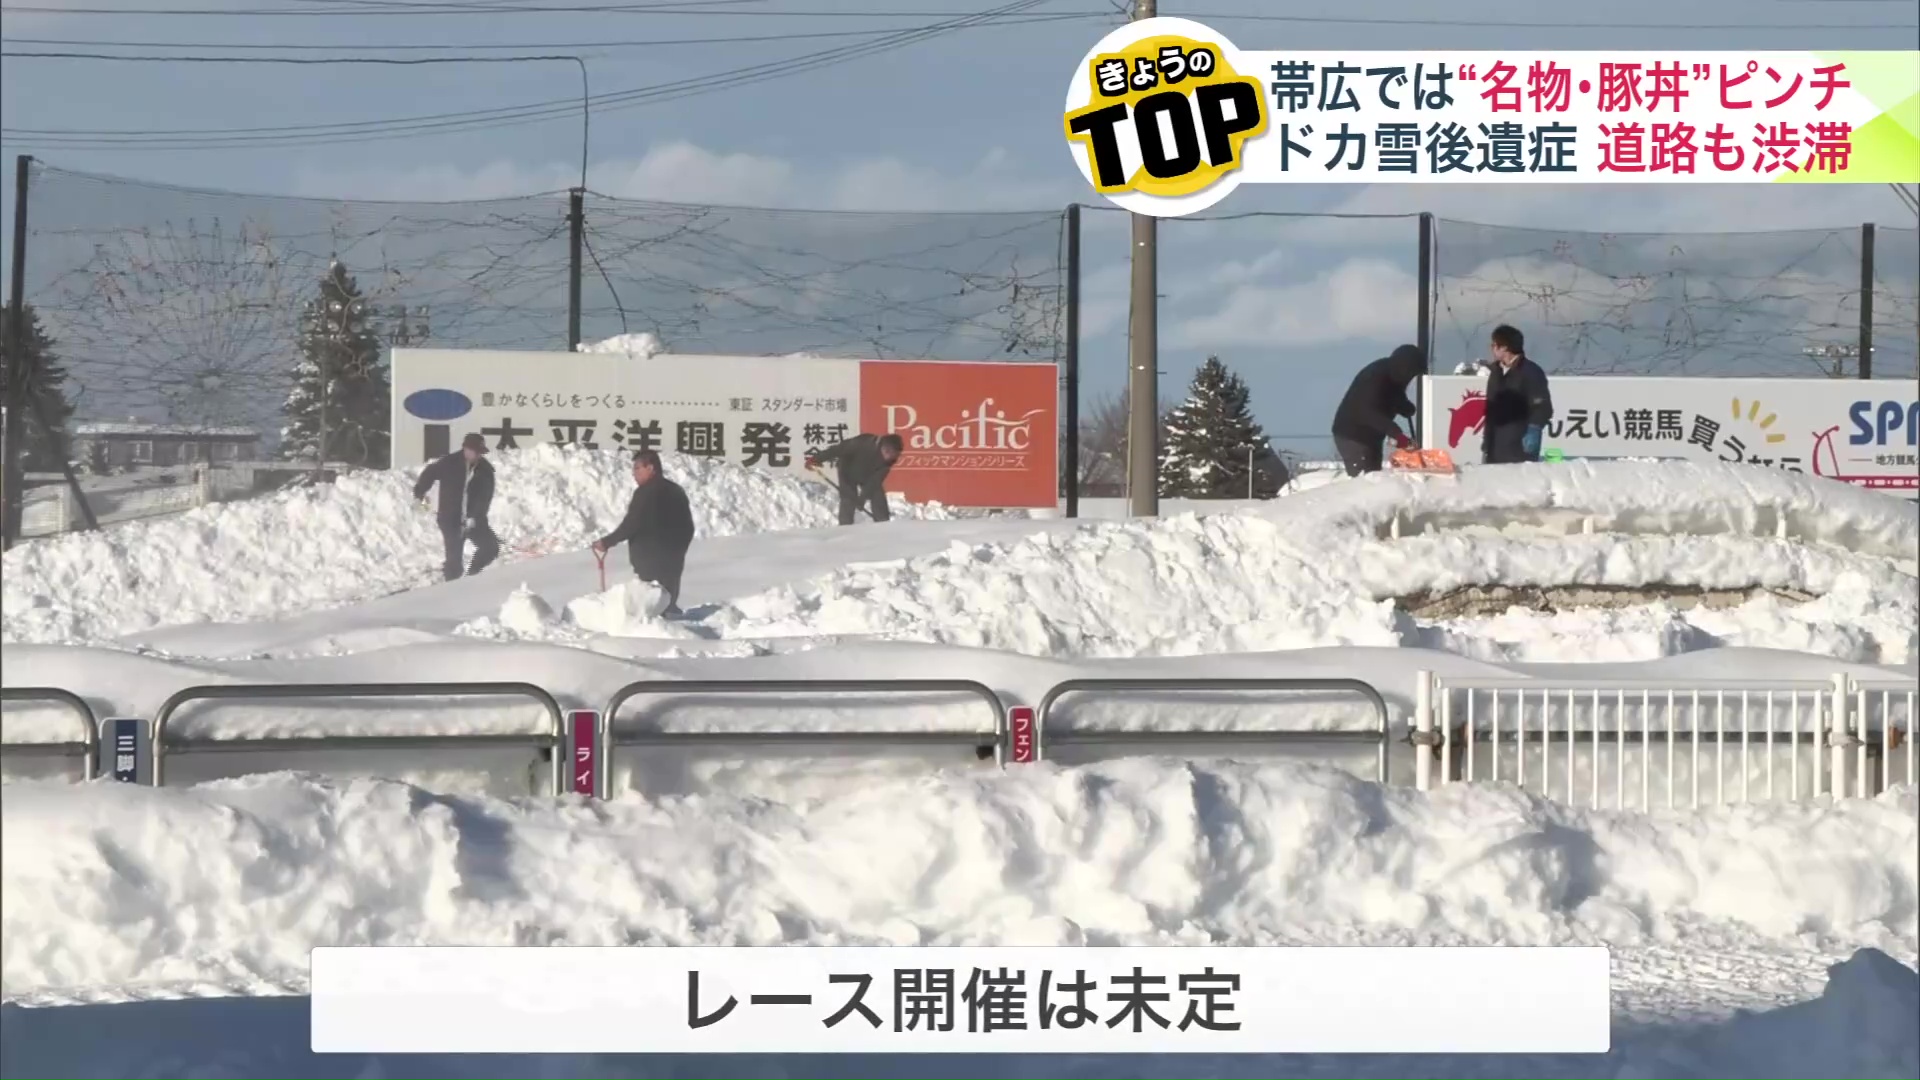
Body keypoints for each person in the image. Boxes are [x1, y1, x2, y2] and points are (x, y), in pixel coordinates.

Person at [592, 449, 695, 616]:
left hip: (650, 562)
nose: (634, 474)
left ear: (651, 468)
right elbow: (689, 527)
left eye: (637, 468)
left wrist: (606, 542)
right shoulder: (676, 491)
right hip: (673, 561)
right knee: (668, 604)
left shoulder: (645, 493)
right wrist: (678, 550)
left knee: (650, 607)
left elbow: (632, 524)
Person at [413, 432, 500, 582]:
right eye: (475, 451)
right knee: (454, 562)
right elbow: (430, 473)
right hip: (450, 519)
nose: (478, 455)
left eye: (480, 452)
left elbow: (485, 498)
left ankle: (473, 575)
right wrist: (420, 493)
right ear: (465, 449)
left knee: (490, 548)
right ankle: (451, 592)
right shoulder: (449, 463)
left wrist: (475, 517)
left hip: (474, 520)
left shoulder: (485, 471)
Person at [1330, 344, 1426, 476]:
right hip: (1352, 435)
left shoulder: (1393, 377)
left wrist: (1404, 406)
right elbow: (1367, 412)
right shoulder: (1374, 376)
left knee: (1375, 477)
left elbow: (1393, 395)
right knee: (1364, 480)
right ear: (1404, 369)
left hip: (1373, 438)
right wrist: (1397, 434)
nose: (1410, 379)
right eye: (1411, 374)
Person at [1482, 324, 1553, 465]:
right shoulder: (1496, 372)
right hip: (1495, 448)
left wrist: (1534, 428)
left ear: (1505, 347)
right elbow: (1490, 410)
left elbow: (1543, 407)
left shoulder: (1530, 371)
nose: (1492, 348)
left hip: (1519, 448)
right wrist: (1487, 442)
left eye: (1494, 344)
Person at [807, 432, 903, 526]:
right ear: (885, 447)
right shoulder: (863, 443)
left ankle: (884, 525)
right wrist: (816, 459)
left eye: (895, 455)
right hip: (847, 470)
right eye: (890, 453)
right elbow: (838, 449)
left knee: (878, 496)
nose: (891, 458)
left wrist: (862, 498)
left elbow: (875, 481)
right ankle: (845, 529)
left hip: (867, 475)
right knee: (848, 499)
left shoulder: (889, 462)